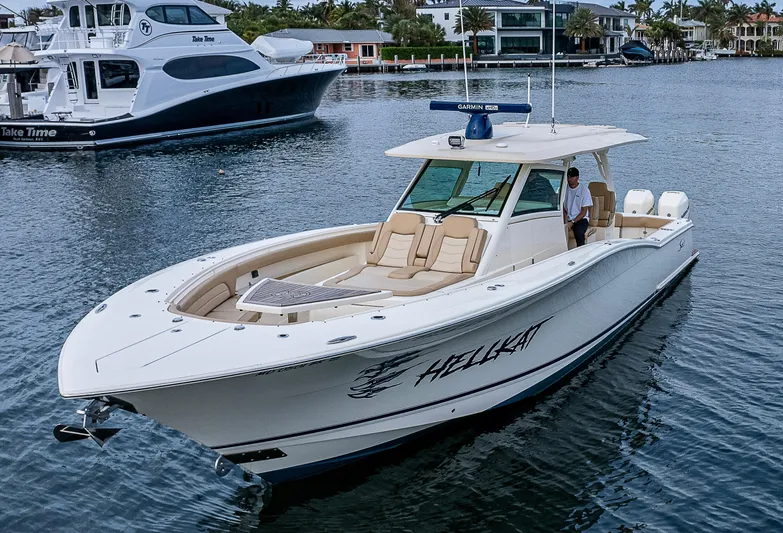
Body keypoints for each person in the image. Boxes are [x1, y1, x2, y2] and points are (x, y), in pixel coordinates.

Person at [563, 167, 593, 247]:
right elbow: (562, 206)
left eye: (571, 177)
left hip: (580, 218)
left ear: (577, 177)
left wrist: (572, 222)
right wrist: (566, 220)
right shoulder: (563, 189)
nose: (569, 179)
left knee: (579, 232)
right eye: (568, 177)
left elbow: (583, 212)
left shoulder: (584, 190)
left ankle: (581, 251)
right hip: (567, 217)